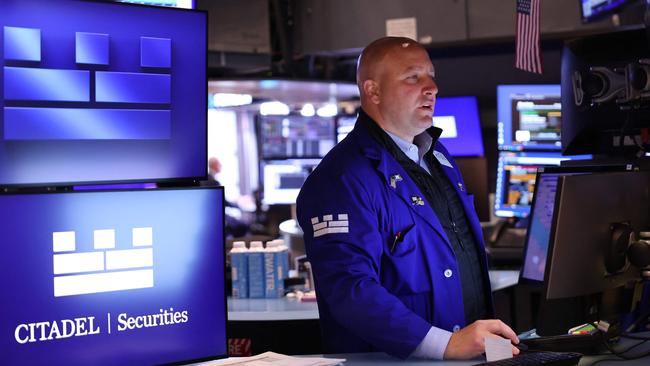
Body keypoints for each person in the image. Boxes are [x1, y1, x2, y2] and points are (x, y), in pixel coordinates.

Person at [296, 37, 520, 360]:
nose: (432, 88)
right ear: (373, 91)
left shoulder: (436, 155)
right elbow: (350, 291)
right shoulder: (341, 180)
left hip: (471, 355)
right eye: (413, 78)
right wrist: (447, 345)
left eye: (431, 76)